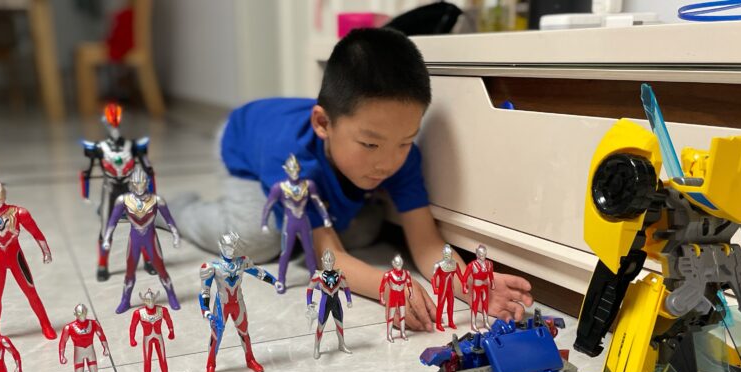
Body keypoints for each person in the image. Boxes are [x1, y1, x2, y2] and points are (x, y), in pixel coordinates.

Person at [176, 28, 533, 330]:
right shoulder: (290, 159)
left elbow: (426, 244)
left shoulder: (401, 155)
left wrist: (471, 285)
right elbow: (328, 258)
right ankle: (182, 210)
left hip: (312, 155)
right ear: (323, 124)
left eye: (405, 142)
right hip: (243, 147)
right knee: (257, 242)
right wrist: (387, 285)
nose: (388, 162)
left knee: (361, 233)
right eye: (370, 144)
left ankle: (308, 223)